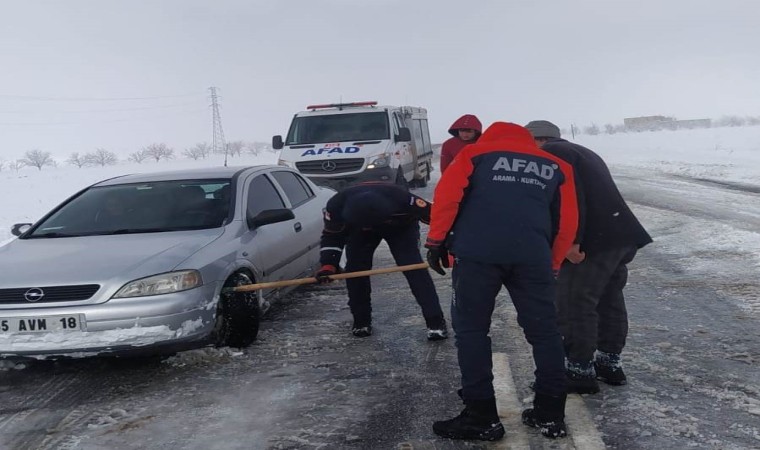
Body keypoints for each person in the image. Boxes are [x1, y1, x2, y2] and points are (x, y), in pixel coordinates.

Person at [425, 122, 579, 440]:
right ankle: (550, 413)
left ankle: (481, 416)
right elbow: (566, 220)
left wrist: (436, 241)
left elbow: (448, 197)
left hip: (478, 256)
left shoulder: (474, 154)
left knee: (472, 331)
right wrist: (551, 262)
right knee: (544, 332)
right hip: (532, 257)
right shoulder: (557, 166)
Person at [524, 120, 653, 394]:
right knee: (609, 300)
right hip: (620, 237)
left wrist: (572, 241)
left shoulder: (553, 155)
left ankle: (579, 371)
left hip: (592, 242)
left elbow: (571, 198)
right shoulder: (583, 151)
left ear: (537, 140)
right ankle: (609, 363)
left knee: (574, 302)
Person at [315, 182, 449, 340]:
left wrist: (446, 248)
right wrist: (328, 265)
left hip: (399, 227)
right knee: (355, 270)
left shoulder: (404, 201)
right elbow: (332, 237)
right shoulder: (336, 207)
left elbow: (440, 220)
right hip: (358, 232)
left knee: (413, 267)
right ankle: (361, 321)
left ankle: (435, 322)